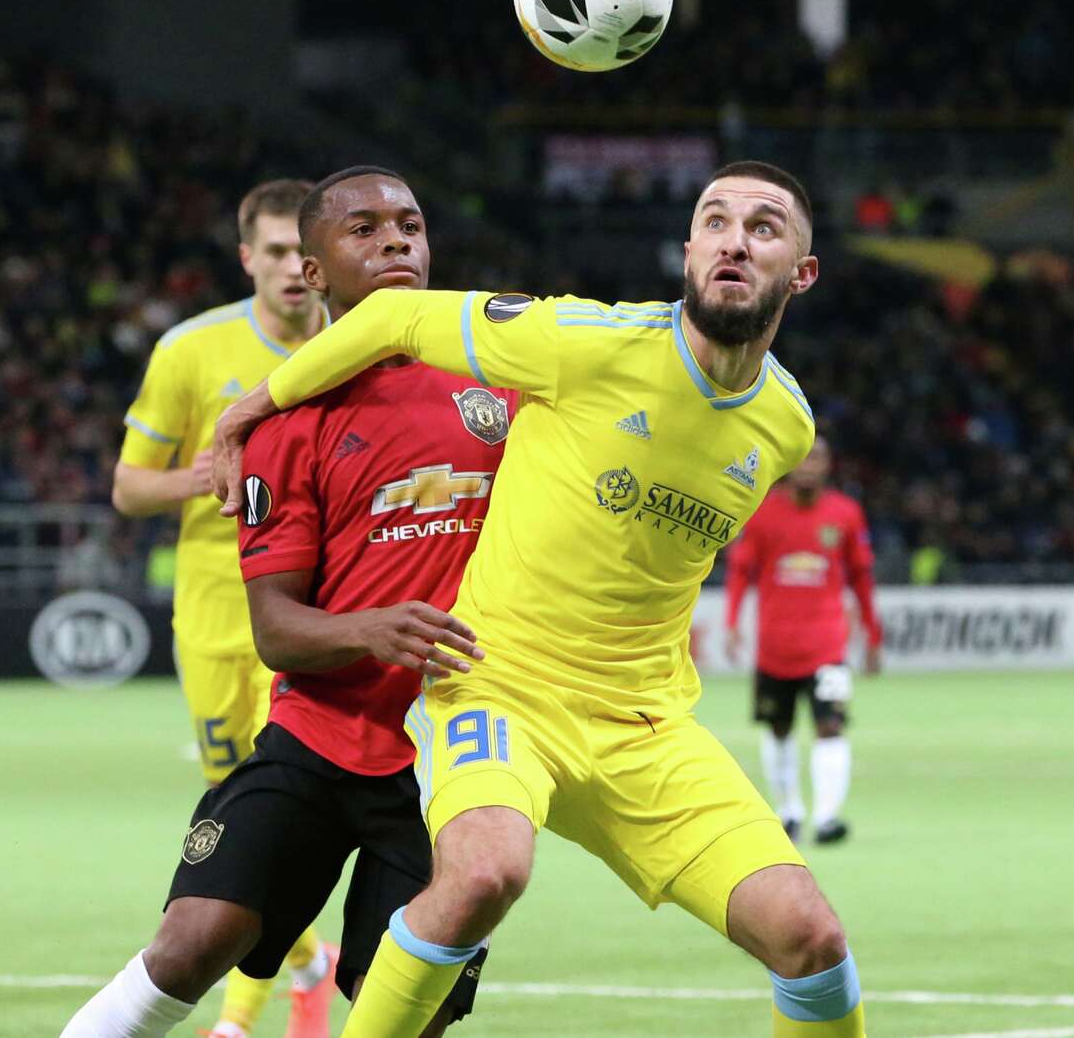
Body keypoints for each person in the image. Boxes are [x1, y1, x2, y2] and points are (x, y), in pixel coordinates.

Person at [213, 161, 867, 1037]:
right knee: (485, 874)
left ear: (803, 271)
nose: (735, 243)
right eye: (716, 222)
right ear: (687, 251)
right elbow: (394, 318)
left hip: (645, 724)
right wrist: (249, 409)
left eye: (764, 228)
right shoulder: (582, 340)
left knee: (813, 942)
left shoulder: (785, 424)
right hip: (499, 687)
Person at [64, 166, 504, 1038]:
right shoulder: (285, 425)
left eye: (410, 225)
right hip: (320, 734)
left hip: (456, 750)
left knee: (402, 1007)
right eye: (364, 229)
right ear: (313, 272)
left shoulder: (502, 380)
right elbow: (276, 628)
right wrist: (372, 629)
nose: (394, 240)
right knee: (192, 941)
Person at [110, 179, 335, 1036]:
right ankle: (306, 964)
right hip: (212, 619)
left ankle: (239, 1015)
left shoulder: (361, 343)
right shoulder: (190, 351)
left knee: (284, 814)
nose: (290, 268)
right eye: (273, 251)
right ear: (247, 257)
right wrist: (206, 477)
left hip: (315, 617)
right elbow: (128, 488)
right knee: (234, 811)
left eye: (302, 252)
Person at [725, 435, 881, 844]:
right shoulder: (762, 512)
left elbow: (862, 577)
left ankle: (827, 817)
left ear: (829, 466)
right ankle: (789, 811)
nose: (810, 466)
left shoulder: (845, 513)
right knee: (778, 728)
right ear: (790, 460)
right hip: (774, 648)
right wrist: (731, 622)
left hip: (828, 647)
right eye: (805, 457)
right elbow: (740, 571)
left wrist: (872, 633)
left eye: (818, 458)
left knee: (831, 724)